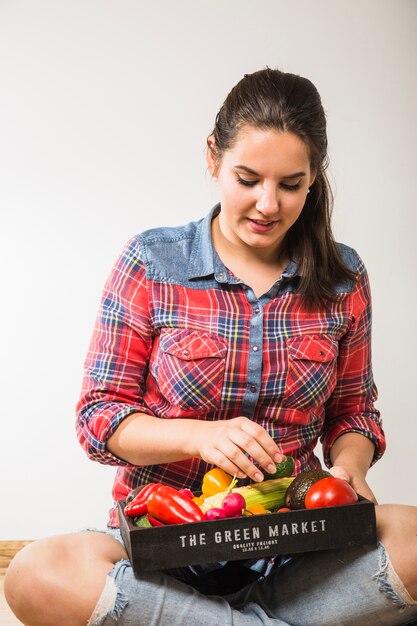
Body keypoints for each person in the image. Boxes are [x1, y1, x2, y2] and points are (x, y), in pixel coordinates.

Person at [5, 68, 417, 626]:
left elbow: (354, 413)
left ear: (314, 177)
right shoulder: (152, 262)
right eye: (248, 178)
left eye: (290, 184)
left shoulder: (344, 277)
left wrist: (349, 470)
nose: (267, 204)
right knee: (36, 573)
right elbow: (99, 420)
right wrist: (201, 437)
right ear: (212, 158)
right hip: (165, 553)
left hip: (299, 547)